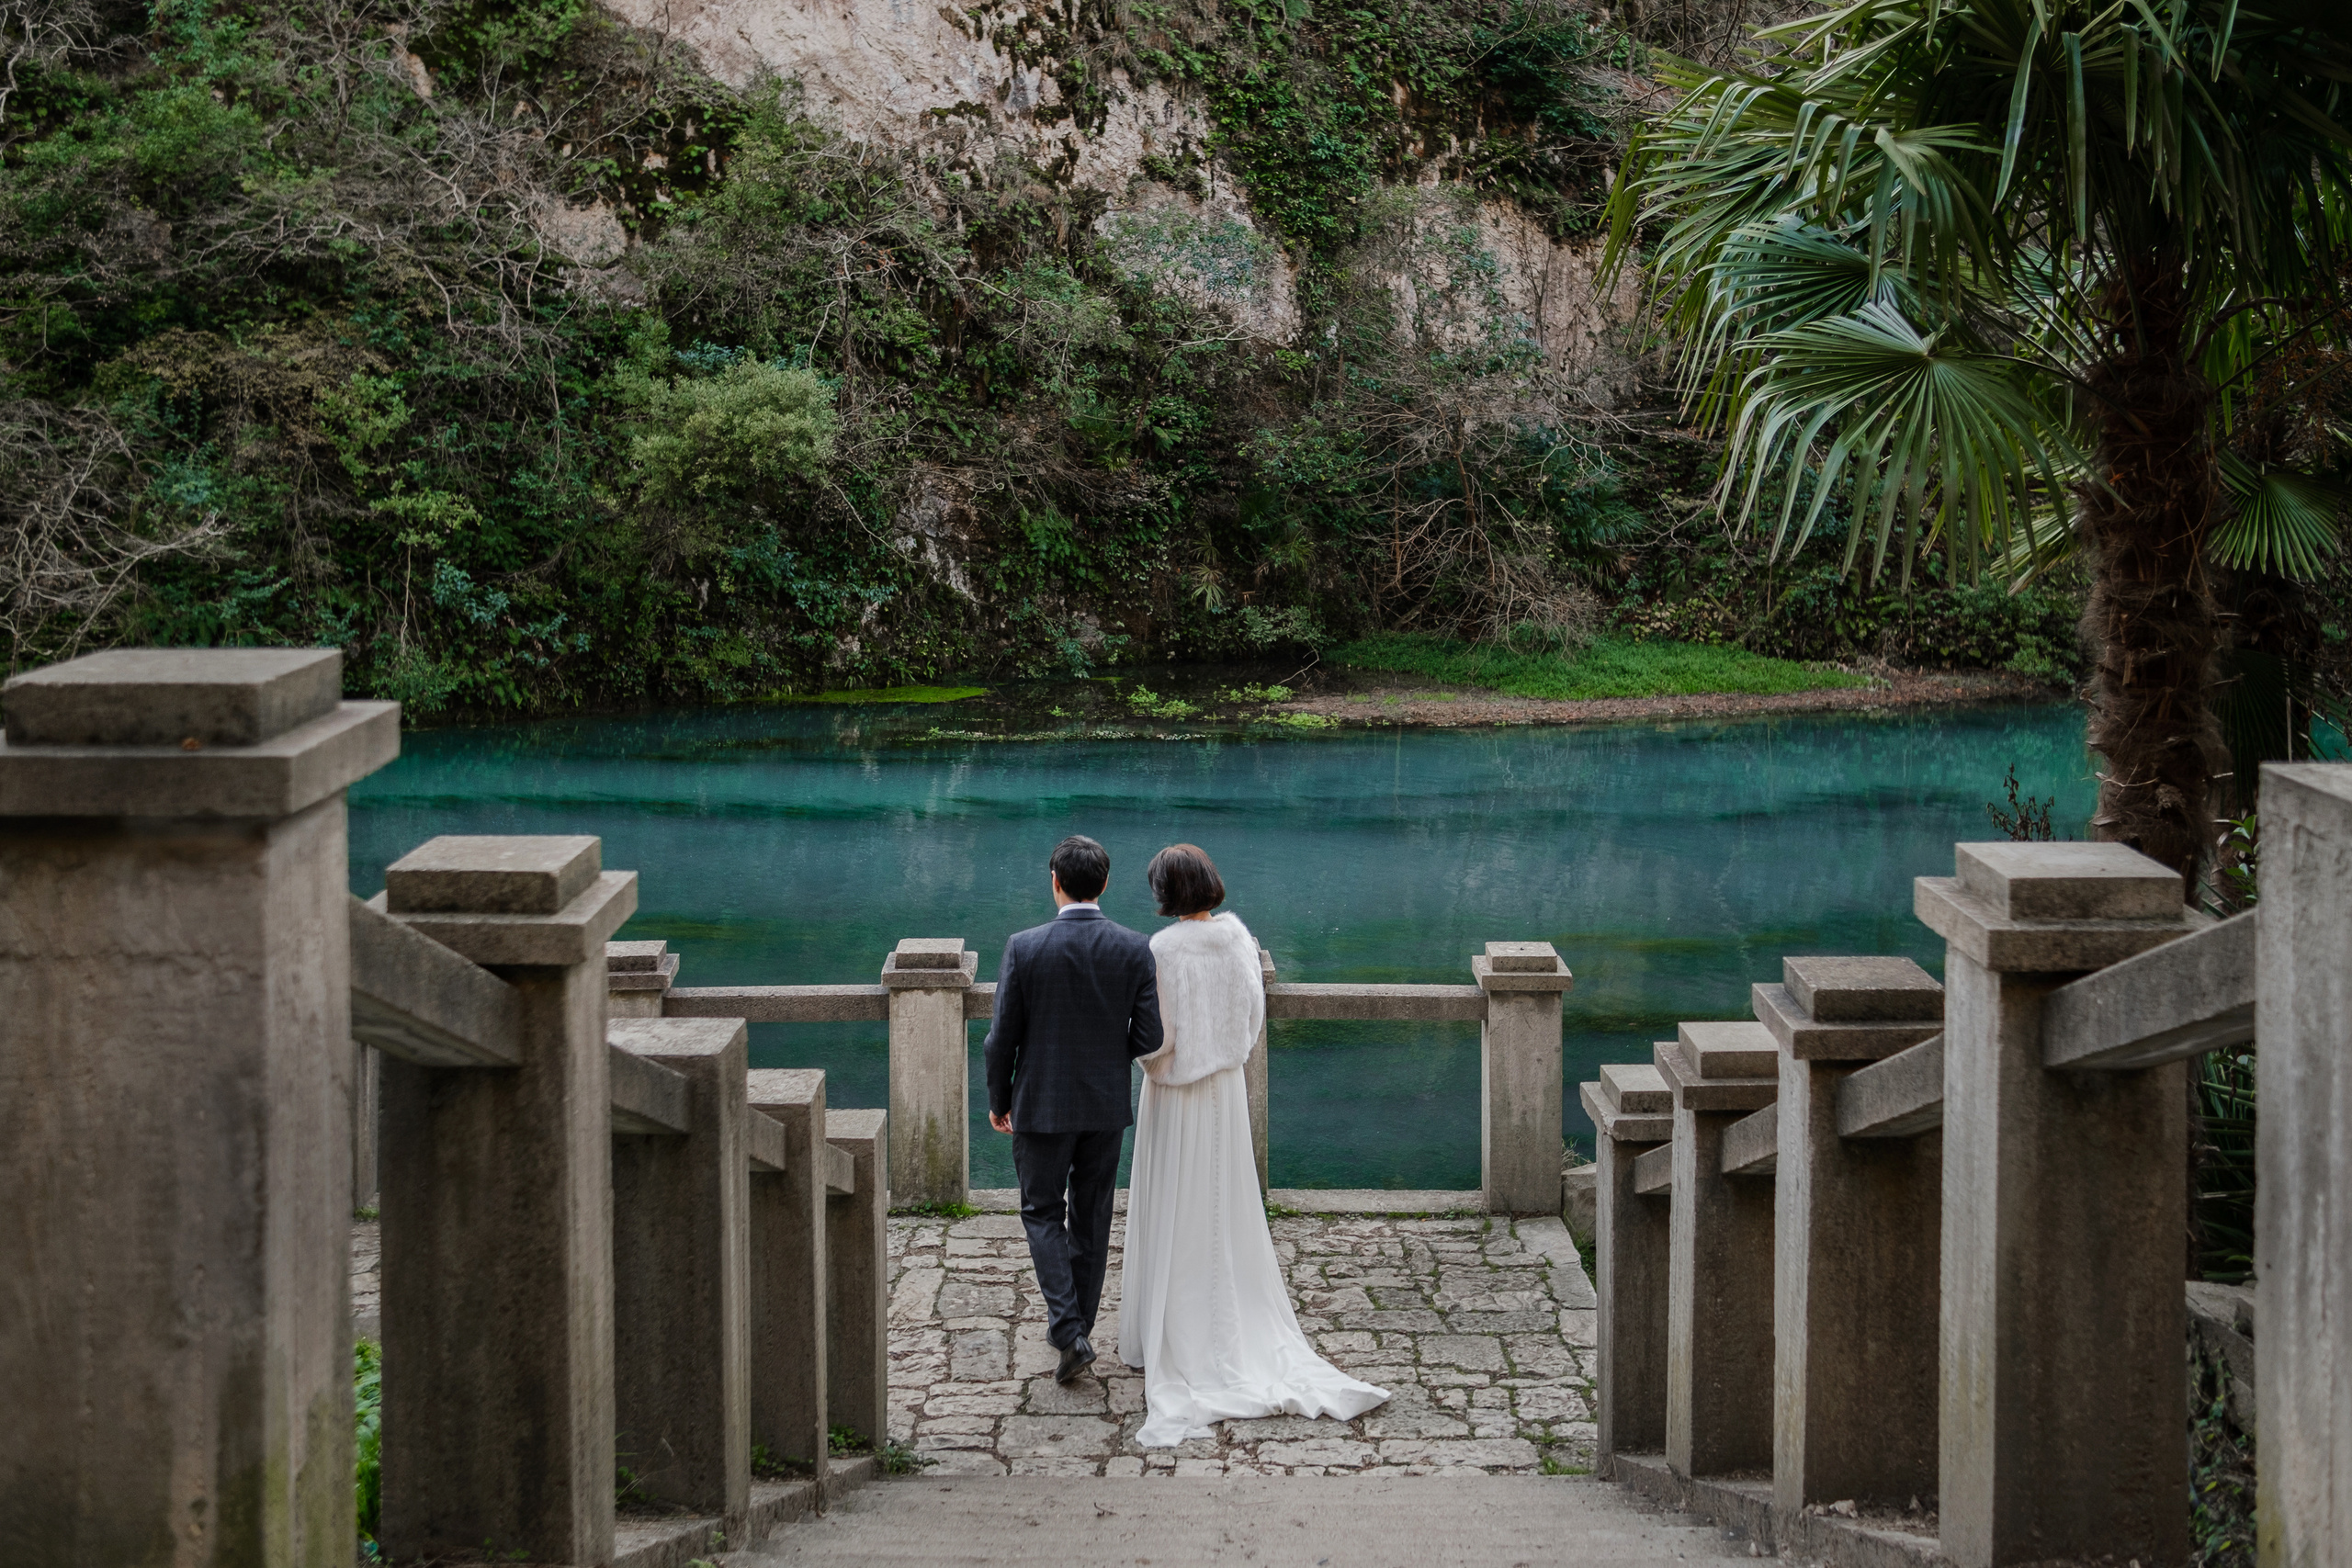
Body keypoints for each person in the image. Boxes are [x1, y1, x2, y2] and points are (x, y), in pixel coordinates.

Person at [1118, 842, 1390, 1447]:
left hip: (1176, 1096)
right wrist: (1224, 1053)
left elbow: (1156, 1036)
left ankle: (1172, 1332)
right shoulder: (1239, 939)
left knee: (1176, 1205)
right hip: (1225, 1089)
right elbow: (1252, 1018)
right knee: (1224, 1208)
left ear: (1165, 892)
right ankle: (1230, 1325)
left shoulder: (1162, 950)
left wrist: (1149, 1063)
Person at [982, 834, 1163, 1384]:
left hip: (1040, 1103)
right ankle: (1077, 1326)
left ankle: (1068, 1330)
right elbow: (1149, 1036)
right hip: (1105, 1104)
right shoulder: (1135, 946)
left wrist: (999, 1100)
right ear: (1104, 883)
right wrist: (1108, 1057)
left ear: (1055, 881)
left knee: (1042, 1211)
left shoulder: (1024, 946)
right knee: (1092, 1214)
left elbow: (1000, 1039)